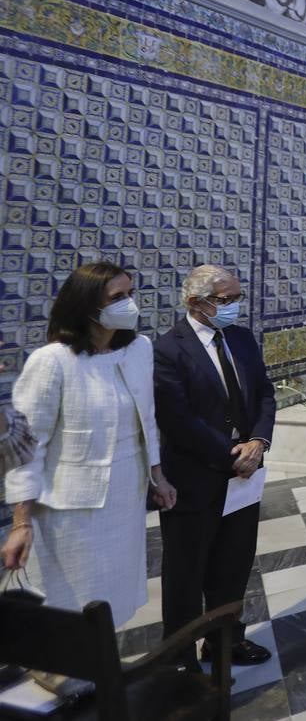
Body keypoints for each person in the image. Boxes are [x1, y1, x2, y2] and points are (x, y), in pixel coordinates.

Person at [2, 262, 177, 627]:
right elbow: (26, 447)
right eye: (117, 297)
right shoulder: (52, 362)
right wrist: (22, 523)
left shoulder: (139, 349)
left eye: (130, 294)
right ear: (87, 307)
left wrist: (157, 475)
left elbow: (146, 420)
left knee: (112, 599)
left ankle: (98, 666)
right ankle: (65, 671)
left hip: (125, 499)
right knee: (72, 601)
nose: (128, 303)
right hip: (73, 512)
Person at [154, 265, 275, 671]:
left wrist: (258, 443)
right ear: (196, 303)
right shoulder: (168, 349)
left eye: (237, 297)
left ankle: (226, 641)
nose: (234, 306)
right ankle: (180, 659)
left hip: (245, 474)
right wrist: (231, 455)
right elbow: (177, 419)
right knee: (186, 574)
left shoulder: (241, 339)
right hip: (195, 476)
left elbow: (264, 395)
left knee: (233, 564)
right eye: (226, 300)